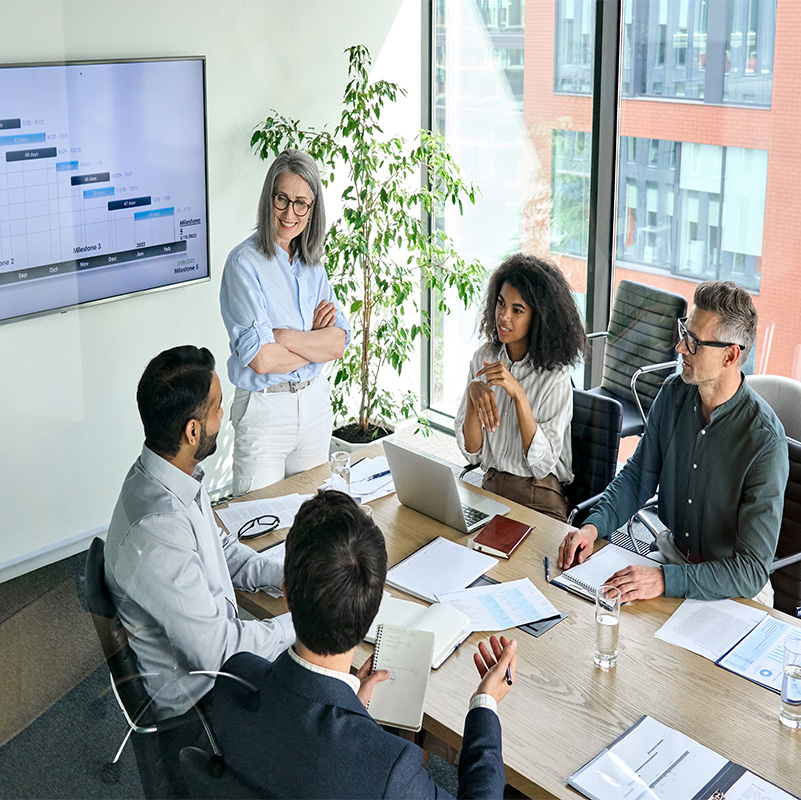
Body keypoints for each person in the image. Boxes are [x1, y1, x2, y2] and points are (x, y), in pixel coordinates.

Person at [213, 490, 517, 799]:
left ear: (286, 594)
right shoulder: (388, 769)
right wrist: (485, 704)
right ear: (373, 612)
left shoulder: (232, 680)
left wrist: (349, 705)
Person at [558, 280, 789, 604]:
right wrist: (593, 527)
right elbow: (638, 476)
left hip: (731, 589)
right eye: (684, 332)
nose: (680, 347)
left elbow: (750, 571)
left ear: (730, 356)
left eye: (694, 341)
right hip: (669, 558)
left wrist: (665, 580)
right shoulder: (672, 393)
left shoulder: (764, 443)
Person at [104, 345, 294, 723]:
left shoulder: (166, 475)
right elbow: (220, 653)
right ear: (193, 431)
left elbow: (220, 549)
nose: (223, 416)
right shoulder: (157, 530)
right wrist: (305, 620)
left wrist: (287, 575)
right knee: (333, 686)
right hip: (203, 707)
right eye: (217, 408)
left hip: (218, 662)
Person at [220, 149, 350, 496]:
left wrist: (284, 336)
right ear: (269, 199)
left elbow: (338, 343)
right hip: (265, 410)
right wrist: (313, 340)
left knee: (315, 528)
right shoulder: (243, 264)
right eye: (283, 199)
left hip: (314, 406)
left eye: (301, 203)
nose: (290, 213)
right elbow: (261, 359)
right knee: (259, 528)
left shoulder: (313, 265)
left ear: (312, 210)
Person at [455, 254, 587, 521]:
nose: (504, 317)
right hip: (490, 487)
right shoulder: (484, 357)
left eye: (517, 310)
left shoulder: (555, 376)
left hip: (538, 497)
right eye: (501, 303)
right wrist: (472, 394)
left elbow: (542, 465)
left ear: (538, 318)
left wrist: (518, 394)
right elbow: (472, 452)